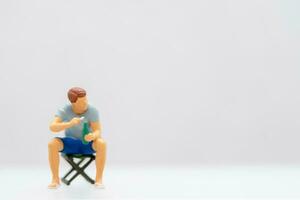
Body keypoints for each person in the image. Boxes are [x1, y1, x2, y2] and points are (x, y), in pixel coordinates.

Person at [48, 87, 106, 189]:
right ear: (73, 103)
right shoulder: (65, 109)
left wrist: (92, 136)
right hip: (71, 143)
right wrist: (69, 124)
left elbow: (98, 131)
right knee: (52, 144)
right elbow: (53, 127)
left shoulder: (92, 110)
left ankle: (99, 179)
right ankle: (55, 179)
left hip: (87, 143)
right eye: (82, 102)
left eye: (86, 100)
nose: (86, 103)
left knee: (101, 143)